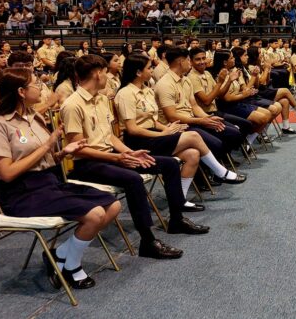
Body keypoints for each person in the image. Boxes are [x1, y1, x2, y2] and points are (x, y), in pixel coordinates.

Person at [61, 55, 205, 261]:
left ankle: (176, 219)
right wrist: (118, 158)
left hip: (111, 155)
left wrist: (128, 152)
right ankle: (148, 241)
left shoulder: (101, 99)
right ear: (98, 74)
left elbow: (110, 136)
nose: (109, 76)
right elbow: (79, 150)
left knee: (170, 164)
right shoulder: (72, 105)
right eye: (106, 72)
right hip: (88, 163)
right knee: (133, 179)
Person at [0, 68, 121, 290]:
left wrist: (62, 153)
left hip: (50, 182)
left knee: (113, 205)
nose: (41, 88)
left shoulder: (34, 117)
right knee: (95, 214)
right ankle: (72, 266)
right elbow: (7, 173)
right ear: (21, 91)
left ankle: (60, 254)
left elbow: (44, 159)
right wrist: (48, 145)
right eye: (35, 84)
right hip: (21, 193)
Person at [115, 53, 220, 211]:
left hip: (153, 134)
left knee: (193, 154)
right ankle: (220, 171)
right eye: (149, 68)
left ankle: (180, 199)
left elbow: (152, 120)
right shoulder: (125, 94)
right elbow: (132, 129)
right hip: (137, 141)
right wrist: (163, 134)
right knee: (193, 135)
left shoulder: (147, 90)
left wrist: (167, 129)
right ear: (138, 72)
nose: (152, 70)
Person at [154, 47, 249, 179]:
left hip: (192, 119)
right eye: (189, 60)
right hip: (178, 126)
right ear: (181, 62)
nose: (190, 63)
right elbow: (172, 116)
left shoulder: (185, 79)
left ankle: (213, 170)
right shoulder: (165, 84)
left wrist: (208, 118)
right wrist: (202, 121)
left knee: (230, 132)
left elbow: (194, 106)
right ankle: (206, 175)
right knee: (216, 143)